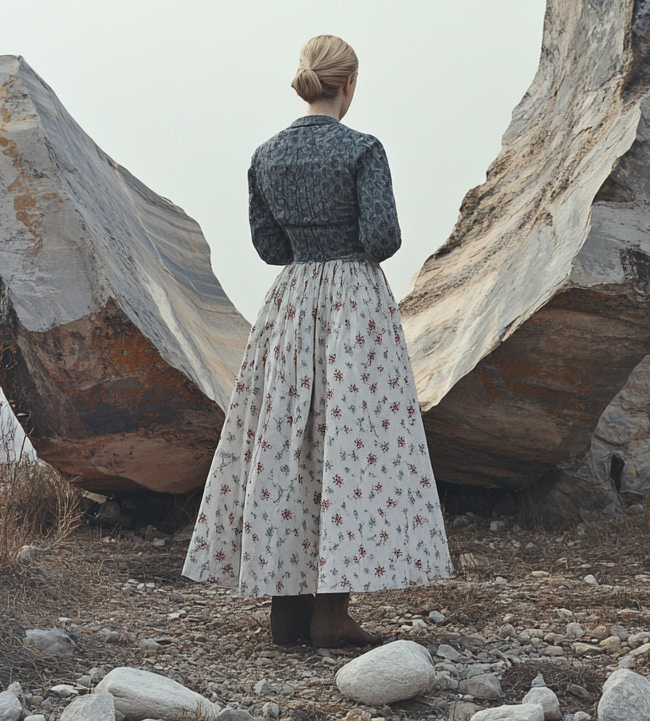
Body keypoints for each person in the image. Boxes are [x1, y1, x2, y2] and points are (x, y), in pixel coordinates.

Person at [182, 35, 452, 648]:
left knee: (287, 443)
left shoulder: (266, 155)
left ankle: (286, 613)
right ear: (349, 84)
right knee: (347, 445)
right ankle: (332, 613)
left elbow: (270, 248)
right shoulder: (362, 150)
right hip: (352, 305)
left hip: (294, 298)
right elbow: (383, 235)